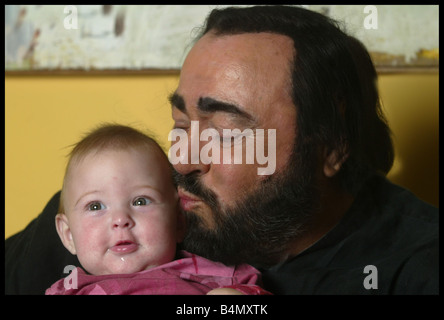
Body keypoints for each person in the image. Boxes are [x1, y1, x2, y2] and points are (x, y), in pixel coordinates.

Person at [5, 5, 438, 295]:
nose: (182, 160)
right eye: (180, 126)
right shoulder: (112, 214)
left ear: (331, 147)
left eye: (225, 132)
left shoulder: (415, 268)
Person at [44, 123, 269, 295]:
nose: (120, 219)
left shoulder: (214, 276)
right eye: (95, 206)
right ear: (68, 235)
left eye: (141, 201)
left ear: (179, 221)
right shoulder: (69, 289)